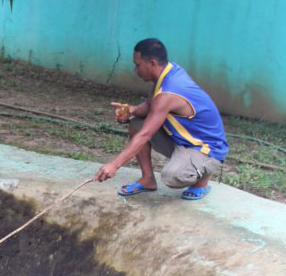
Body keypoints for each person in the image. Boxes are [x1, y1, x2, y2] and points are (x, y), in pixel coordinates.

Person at [94, 38, 228, 200]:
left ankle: (202, 179)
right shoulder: (168, 72)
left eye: (137, 65)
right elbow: (150, 105)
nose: (135, 70)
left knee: (172, 176)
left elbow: (145, 135)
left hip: (207, 149)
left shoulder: (168, 92)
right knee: (137, 122)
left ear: (152, 63)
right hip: (183, 141)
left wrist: (114, 165)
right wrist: (132, 110)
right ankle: (148, 179)